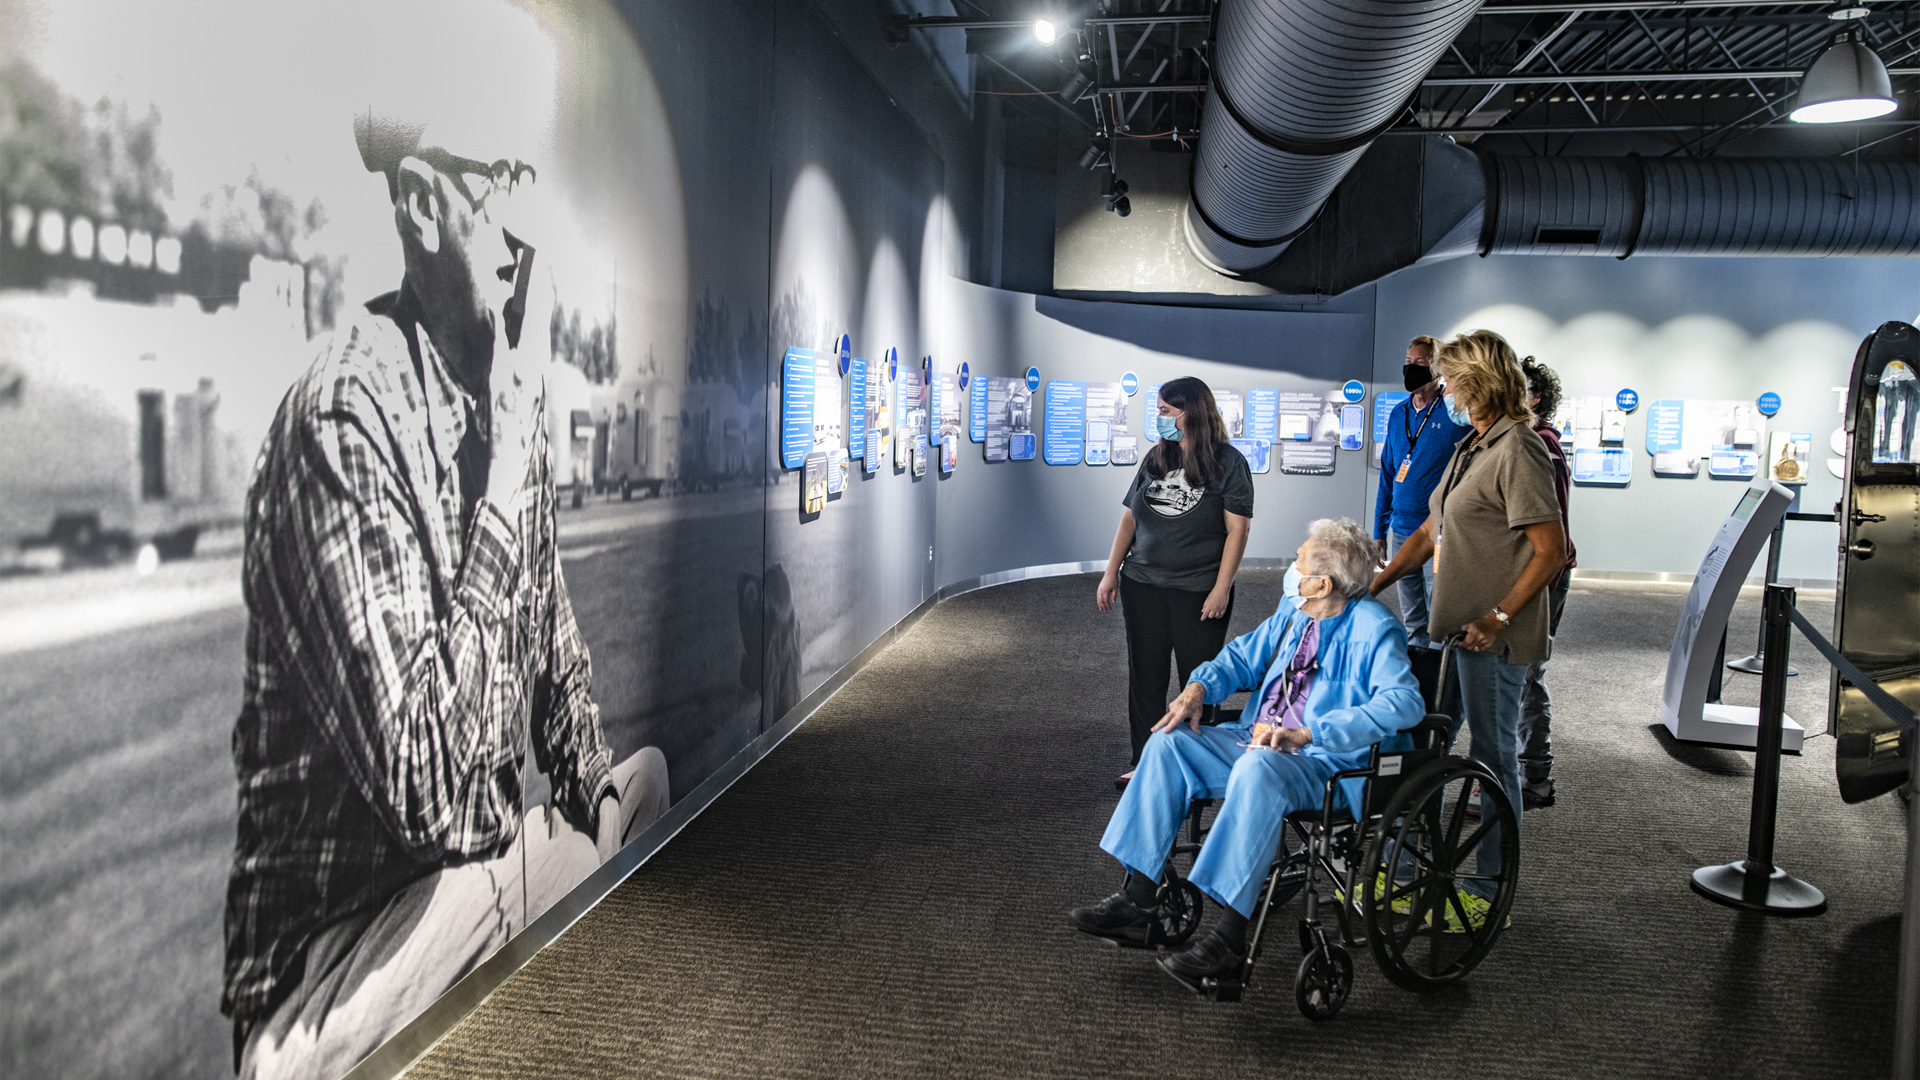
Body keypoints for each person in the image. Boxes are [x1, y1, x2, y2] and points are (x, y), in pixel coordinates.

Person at [221, 107, 671, 1080]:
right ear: (424, 207)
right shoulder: (344, 420)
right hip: (334, 975)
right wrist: (509, 476)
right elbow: (427, 790)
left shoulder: (505, 400)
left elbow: (553, 652)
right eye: (504, 176)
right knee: (557, 881)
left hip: (464, 893)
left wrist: (592, 779)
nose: (530, 221)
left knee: (645, 787)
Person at [1071, 518, 1423, 979]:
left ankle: (1230, 940)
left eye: (1300, 559)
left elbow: (1405, 703)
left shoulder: (1375, 628)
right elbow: (1242, 656)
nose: (1292, 565)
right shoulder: (1297, 613)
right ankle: (1139, 899)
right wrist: (1198, 686)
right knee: (1167, 742)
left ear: (1322, 582)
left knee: (1257, 772)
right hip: (1259, 739)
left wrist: (1311, 733)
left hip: (1326, 763)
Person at [1370, 330, 1566, 927]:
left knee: (1491, 756)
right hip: (1450, 635)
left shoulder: (1520, 450)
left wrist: (1498, 616)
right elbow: (1428, 534)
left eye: (1451, 378)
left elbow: (1551, 550)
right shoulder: (1471, 447)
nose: (1444, 388)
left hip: (1492, 639)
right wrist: (1372, 585)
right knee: (1425, 745)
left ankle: (1487, 891)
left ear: (1477, 382)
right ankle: (1406, 875)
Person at [1096, 377, 1253, 788]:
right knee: (1145, 677)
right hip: (1142, 583)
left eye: (1166, 411)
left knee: (1199, 681)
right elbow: (1130, 517)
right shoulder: (1157, 457)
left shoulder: (1228, 463)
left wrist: (1221, 588)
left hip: (1199, 590)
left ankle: (1199, 763)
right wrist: (1111, 571)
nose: (1160, 418)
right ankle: (1146, 760)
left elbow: (1237, 531)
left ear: (1191, 413)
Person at [1371, 335, 1468, 646]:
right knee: (1414, 622)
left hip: (1439, 533)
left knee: (1438, 618)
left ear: (1438, 369)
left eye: (1420, 364)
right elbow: (1388, 474)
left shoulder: (1455, 415)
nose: (1411, 370)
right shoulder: (1398, 414)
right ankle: (1421, 687)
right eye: (1408, 363)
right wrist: (1378, 530)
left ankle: (1441, 687)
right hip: (1401, 532)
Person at [1518, 357, 1577, 809]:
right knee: (1520, 674)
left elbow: (1552, 540)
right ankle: (1527, 771)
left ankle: (1535, 775)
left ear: (1535, 398)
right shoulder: (1526, 443)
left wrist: (1534, 591)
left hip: (1542, 581)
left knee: (1526, 674)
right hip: (1530, 578)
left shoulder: (1542, 448)